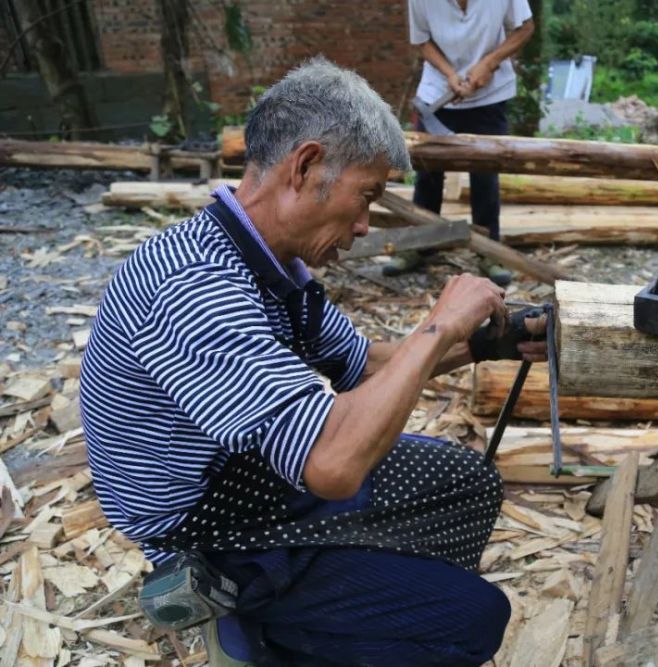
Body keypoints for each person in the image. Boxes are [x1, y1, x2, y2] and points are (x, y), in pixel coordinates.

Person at [79, 57, 547, 667]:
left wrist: (484, 343)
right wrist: (438, 327)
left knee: (468, 484)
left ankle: (353, 612)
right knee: (473, 618)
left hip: (254, 474)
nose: (361, 226)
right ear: (304, 166)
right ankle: (256, 630)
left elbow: (363, 366)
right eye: (366, 197)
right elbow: (332, 465)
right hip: (207, 527)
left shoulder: (271, 266)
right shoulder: (193, 287)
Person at [382, 0, 535, 286]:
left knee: (485, 176)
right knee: (427, 174)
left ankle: (490, 252)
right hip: (438, 91)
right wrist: (451, 74)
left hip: (490, 94)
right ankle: (420, 244)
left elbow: (525, 27)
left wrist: (489, 63)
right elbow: (422, 40)